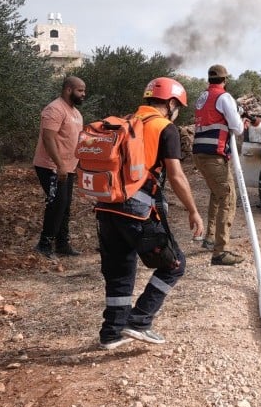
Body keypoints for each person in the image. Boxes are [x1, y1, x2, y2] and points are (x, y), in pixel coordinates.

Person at [96, 77, 205, 349]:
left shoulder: (125, 121)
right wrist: (193, 210)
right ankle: (140, 321)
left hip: (106, 206)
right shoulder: (164, 128)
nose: (177, 111)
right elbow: (177, 176)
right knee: (174, 264)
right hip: (137, 210)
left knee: (120, 270)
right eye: (178, 105)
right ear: (170, 103)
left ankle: (111, 333)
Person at [192, 64, 247, 266]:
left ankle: (210, 237)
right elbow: (237, 128)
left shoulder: (202, 97)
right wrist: (241, 119)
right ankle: (220, 251)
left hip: (200, 153)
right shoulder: (224, 97)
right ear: (225, 80)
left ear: (209, 79)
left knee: (217, 194)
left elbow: (212, 117)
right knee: (228, 197)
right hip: (213, 155)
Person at [33, 76, 86, 258]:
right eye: (80, 90)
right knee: (57, 203)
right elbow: (48, 138)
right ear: (68, 89)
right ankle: (44, 244)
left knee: (65, 204)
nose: (83, 94)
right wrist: (59, 165)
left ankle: (62, 244)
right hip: (51, 166)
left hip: (68, 167)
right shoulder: (54, 109)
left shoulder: (76, 114)